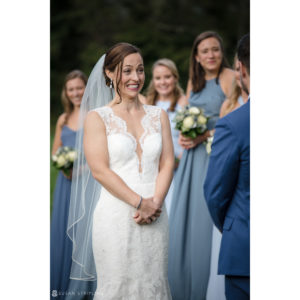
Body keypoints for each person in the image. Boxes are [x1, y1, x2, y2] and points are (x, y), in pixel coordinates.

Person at [67, 42, 174, 299]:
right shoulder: (97, 117)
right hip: (116, 214)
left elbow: (167, 161)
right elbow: (100, 171)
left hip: (156, 212)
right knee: (118, 287)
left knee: (154, 284)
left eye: (139, 70)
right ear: (109, 73)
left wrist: (155, 202)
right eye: (126, 71)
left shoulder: (158, 115)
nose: (135, 78)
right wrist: (139, 203)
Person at [168, 31, 235, 300]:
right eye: (205, 51)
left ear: (222, 51)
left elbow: (236, 117)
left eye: (215, 49)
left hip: (213, 153)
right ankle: (184, 281)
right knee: (187, 216)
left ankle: (207, 285)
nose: (211, 55)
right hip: (191, 160)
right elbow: (186, 116)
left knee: (206, 216)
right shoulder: (193, 82)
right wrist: (186, 133)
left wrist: (204, 134)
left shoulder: (229, 77)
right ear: (196, 56)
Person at [204, 33, 250, 300]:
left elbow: (214, 194)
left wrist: (233, 227)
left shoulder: (233, 124)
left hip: (245, 251)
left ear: (240, 69)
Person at [51, 70, 96, 299]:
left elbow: (101, 154)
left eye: (79, 88)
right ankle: (60, 288)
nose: (76, 93)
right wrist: (64, 165)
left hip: (88, 182)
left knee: (84, 235)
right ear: (66, 93)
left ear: (86, 88)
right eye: (71, 89)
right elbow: (54, 152)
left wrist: (82, 168)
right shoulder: (62, 119)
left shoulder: (94, 115)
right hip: (66, 186)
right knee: (63, 236)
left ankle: (84, 290)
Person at [146, 58, 186, 214]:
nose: (163, 82)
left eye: (167, 77)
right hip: (153, 170)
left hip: (178, 167)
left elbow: (187, 138)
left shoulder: (183, 103)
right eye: (158, 78)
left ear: (175, 78)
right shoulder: (147, 104)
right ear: (153, 81)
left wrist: (177, 160)